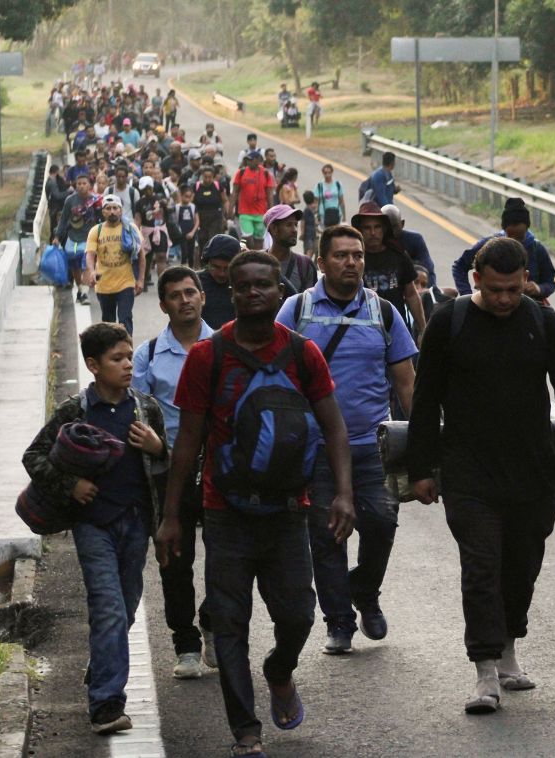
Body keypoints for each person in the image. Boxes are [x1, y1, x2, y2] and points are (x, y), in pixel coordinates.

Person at [156, 250, 355, 758]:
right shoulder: (209, 356)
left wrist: (344, 495)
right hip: (226, 512)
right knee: (228, 620)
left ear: (279, 291)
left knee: (299, 617)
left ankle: (279, 670)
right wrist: (172, 516)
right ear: (232, 292)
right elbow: (188, 442)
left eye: (262, 285)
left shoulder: (304, 353)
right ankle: (245, 730)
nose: (251, 294)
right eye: (242, 286)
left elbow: (333, 426)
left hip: (290, 509)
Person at [406, 236, 555, 714]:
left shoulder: (544, 322)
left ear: (525, 280)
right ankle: (485, 671)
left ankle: (509, 645)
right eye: (495, 290)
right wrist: (422, 469)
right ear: (476, 280)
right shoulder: (450, 323)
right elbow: (426, 400)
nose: (506, 299)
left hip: (532, 470)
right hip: (468, 471)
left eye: (513, 289)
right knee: (482, 566)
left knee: (521, 565)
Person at [276, 225, 417, 655]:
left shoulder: (383, 312)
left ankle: (365, 588)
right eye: (341, 256)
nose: (352, 262)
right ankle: (338, 620)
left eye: (357, 255)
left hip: (375, 447)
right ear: (321, 262)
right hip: (315, 450)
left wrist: (423, 442)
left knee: (382, 522)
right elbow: (275, 376)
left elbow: (406, 382)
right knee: (327, 534)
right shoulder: (295, 311)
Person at [23, 322, 167, 735]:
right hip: (93, 526)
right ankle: (106, 704)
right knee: (107, 608)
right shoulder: (75, 411)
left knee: (123, 608)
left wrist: (158, 448)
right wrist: (73, 485)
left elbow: (169, 463)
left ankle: (102, 663)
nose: (127, 365)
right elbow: (33, 455)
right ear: (92, 365)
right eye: (117, 359)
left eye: (129, 356)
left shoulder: (145, 407)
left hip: (137, 524)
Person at [133, 267, 216, 680]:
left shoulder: (224, 346)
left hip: (221, 469)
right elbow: (135, 413)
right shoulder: (148, 356)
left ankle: (214, 621)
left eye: (191, 292)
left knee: (227, 554)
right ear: (163, 304)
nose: (185, 300)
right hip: (169, 471)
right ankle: (185, 643)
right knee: (174, 560)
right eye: (175, 296)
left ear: (202, 296)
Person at [452, 198, 555, 303]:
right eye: (510, 237)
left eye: (520, 237)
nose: (515, 243)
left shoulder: (536, 249)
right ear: (504, 231)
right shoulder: (489, 247)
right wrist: (468, 296)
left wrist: (538, 289)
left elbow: (549, 282)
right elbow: (459, 267)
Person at [350, 202, 426, 343]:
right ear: (359, 230)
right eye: (367, 228)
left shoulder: (398, 255)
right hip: (363, 333)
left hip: (396, 330)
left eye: (377, 227)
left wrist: (422, 329)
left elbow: (411, 294)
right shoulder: (353, 259)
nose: (373, 233)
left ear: (384, 229)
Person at [86, 194, 144, 336]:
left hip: (126, 283)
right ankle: (111, 354)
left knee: (125, 319)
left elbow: (141, 255)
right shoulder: (96, 231)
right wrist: (92, 271)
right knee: (108, 323)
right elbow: (90, 254)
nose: (112, 211)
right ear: (103, 211)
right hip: (104, 285)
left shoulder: (131, 229)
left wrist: (141, 279)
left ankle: (127, 351)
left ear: (121, 210)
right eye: (108, 208)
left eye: (115, 208)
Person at [53, 173, 100, 305]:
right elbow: (63, 220)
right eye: (79, 184)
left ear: (89, 185)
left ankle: (84, 293)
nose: (81, 186)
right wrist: (57, 236)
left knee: (86, 265)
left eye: (84, 183)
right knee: (75, 266)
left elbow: (100, 220)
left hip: (88, 239)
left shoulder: (95, 201)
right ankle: (80, 289)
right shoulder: (70, 201)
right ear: (75, 185)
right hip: (73, 239)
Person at [263, 204, 317, 297]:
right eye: (289, 225)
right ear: (274, 229)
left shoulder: (305, 265)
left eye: (296, 224)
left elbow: (311, 304)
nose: (295, 230)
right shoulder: (258, 262)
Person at [381, 204, 436, 287]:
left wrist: (429, 294)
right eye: (385, 227)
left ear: (402, 224)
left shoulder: (414, 240)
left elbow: (428, 270)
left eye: (393, 227)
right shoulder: (373, 242)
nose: (390, 232)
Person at [231, 151, 276, 246]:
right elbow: (235, 192)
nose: (248, 162)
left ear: (258, 161)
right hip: (245, 212)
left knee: (259, 240)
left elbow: (270, 195)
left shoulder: (266, 174)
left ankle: (256, 259)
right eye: (247, 160)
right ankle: (245, 254)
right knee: (247, 237)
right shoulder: (241, 172)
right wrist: (231, 208)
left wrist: (271, 212)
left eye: (251, 160)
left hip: (261, 213)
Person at [198, 234, 239, 329]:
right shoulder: (194, 283)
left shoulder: (244, 284)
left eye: (227, 268)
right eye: (215, 267)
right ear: (207, 263)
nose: (221, 274)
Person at [194, 166, 230, 254]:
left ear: (213, 177)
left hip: (215, 218)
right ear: (202, 176)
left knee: (213, 239)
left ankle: (213, 258)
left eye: (210, 177)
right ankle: (203, 261)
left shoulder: (218, 186)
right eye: (205, 177)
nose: (207, 179)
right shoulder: (197, 186)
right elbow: (191, 201)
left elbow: (225, 200)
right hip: (201, 218)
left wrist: (226, 214)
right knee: (202, 240)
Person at [314, 163, 346, 228]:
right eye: (325, 173)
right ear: (323, 173)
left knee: (335, 234)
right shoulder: (319, 186)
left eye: (329, 172)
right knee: (326, 234)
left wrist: (344, 216)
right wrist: (316, 215)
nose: (327, 175)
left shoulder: (338, 184)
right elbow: (316, 202)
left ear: (332, 172)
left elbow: (341, 201)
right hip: (324, 214)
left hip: (336, 213)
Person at [175, 185, 199, 268]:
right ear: (181, 195)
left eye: (189, 197)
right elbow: (175, 221)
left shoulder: (193, 207)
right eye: (186, 196)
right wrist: (178, 232)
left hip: (191, 233)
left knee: (191, 253)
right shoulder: (177, 207)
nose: (187, 199)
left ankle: (191, 270)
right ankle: (183, 270)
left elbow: (197, 221)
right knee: (184, 253)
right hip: (182, 234)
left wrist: (192, 232)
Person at [301, 191, 319, 257]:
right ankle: (307, 264)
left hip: (310, 233)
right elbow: (303, 221)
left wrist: (302, 233)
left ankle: (308, 264)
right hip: (309, 233)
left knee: (311, 249)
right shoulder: (309, 209)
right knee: (310, 250)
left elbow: (303, 222)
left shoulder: (307, 209)